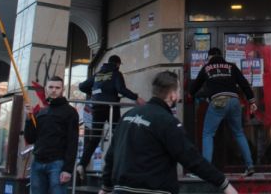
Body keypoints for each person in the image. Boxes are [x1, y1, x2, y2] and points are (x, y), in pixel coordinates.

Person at [99, 71, 238, 194]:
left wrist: (106, 186)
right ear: (172, 95)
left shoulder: (128, 115)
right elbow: (191, 158)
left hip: (121, 190)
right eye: (178, 91)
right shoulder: (168, 122)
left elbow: (111, 154)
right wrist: (223, 183)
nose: (179, 95)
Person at [189, 47, 257, 176]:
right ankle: (250, 166)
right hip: (234, 101)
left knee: (208, 134)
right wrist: (252, 101)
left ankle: (205, 170)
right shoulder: (231, 66)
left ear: (210, 57)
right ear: (221, 56)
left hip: (218, 101)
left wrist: (190, 94)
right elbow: (244, 83)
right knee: (239, 133)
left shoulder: (207, 67)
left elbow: (195, 86)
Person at [77, 55, 146, 178]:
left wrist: (93, 94)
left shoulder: (98, 74)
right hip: (111, 108)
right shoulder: (116, 73)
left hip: (97, 107)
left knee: (95, 138)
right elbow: (121, 89)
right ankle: (121, 165)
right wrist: (136, 98)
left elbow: (82, 86)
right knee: (118, 135)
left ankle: (82, 164)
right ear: (118, 64)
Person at [24, 76, 79, 194]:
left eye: (57, 88)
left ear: (62, 89)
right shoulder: (41, 112)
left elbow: (73, 142)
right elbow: (30, 138)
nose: (54, 90)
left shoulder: (70, 112)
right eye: (51, 87)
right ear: (46, 89)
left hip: (58, 164)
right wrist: (28, 119)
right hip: (37, 163)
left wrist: (68, 169)